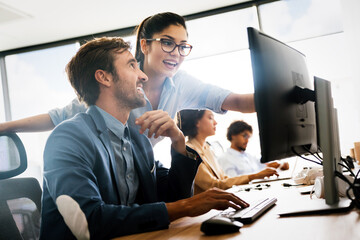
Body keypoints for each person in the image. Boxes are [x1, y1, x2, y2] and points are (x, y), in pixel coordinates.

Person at [40, 37, 249, 239]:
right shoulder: (68, 137)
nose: (143, 76)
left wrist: (178, 142)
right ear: (104, 77)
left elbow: (173, 199)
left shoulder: (136, 138)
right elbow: (88, 222)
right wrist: (186, 206)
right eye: (132, 66)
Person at [0, 12, 254, 146]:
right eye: (167, 43)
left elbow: (239, 102)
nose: (176, 53)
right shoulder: (118, 85)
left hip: (140, 175)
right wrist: (4, 128)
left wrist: (286, 95)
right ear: (144, 45)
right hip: (109, 179)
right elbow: (56, 117)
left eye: (182, 46)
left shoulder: (184, 84)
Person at [177, 109, 278, 194]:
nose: (215, 122)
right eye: (210, 118)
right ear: (196, 122)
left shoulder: (207, 148)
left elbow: (223, 178)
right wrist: (253, 176)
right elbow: (214, 185)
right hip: (204, 212)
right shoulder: (188, 151)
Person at [218, 120, 289, 177]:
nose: (247, 140)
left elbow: (264, 167)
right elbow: (231, 182)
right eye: (244, 136)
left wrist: (280, 165)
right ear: (233, 135)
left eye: (249, 137)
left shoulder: (249, 156)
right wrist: (258, 175)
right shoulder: (225, 158)